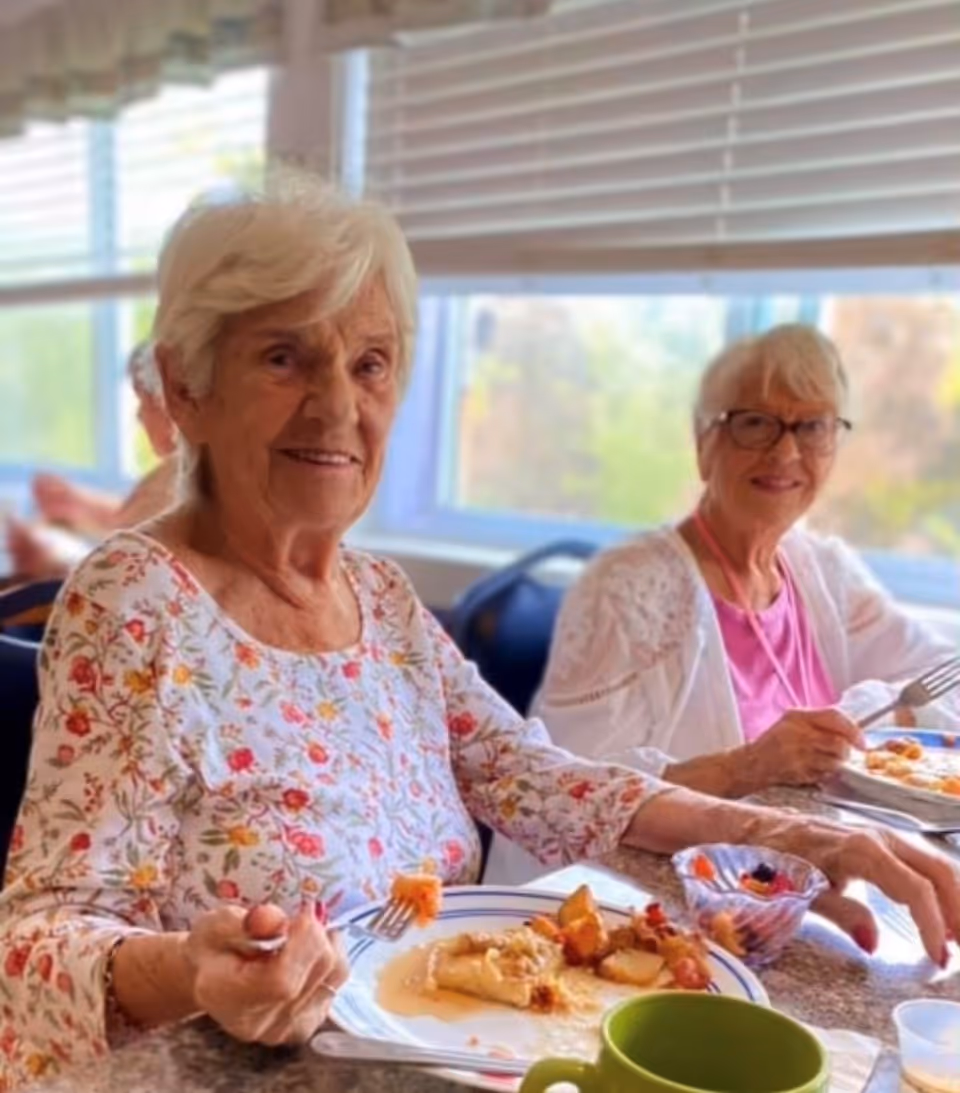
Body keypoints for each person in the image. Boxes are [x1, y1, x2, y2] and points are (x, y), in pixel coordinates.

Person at [0, 181, 956, 1091]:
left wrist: (785, 831)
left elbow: (531, 774)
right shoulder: (135, 602)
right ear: (186, 386)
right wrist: (195, 971)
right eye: (284, 357)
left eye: (370, 363)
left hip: (431, 1055)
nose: (340, 406)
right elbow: (38, 940)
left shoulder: (380, 596)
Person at [487, 324, 959, 882]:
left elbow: (942, 679)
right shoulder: (631, 589)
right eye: (754, 423)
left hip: (790, 885)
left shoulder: (822, 571)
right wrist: (747, 767)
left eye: (811, 426)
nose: (786, 451)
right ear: (703, 441)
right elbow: (567, 795)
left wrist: (881, 707)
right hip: (648, 895)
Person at [5, 345, 179, 579]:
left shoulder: (172, 482)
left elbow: (118, 584)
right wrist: (80, 506)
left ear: (167, 404)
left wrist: (50, 564)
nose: (139, 416)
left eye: (143, 403)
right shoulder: (175, 479)